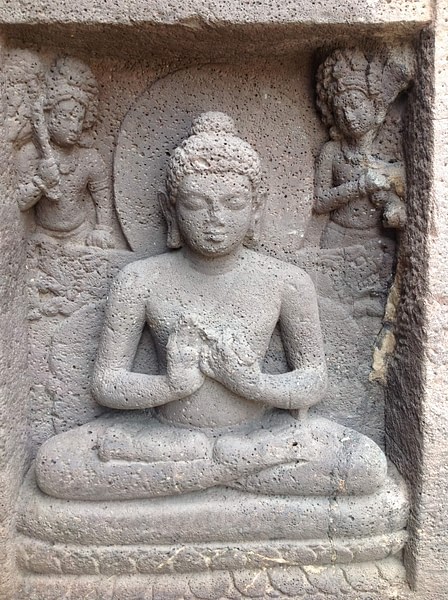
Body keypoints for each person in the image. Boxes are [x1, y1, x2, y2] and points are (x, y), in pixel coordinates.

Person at [35, 112, 387, 500]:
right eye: (196, 203)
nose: (215, 219)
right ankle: (233, 467)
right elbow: (107, 383)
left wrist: (254, 384)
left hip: (254, 433)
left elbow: (313, 380)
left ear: (256, 208)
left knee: (366, 465)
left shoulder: (286, 282)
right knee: (53, 465)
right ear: (170, 209)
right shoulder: (140, 280)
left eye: (233, 203)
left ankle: (200, 472)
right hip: (168, 436)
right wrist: (170, 385)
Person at [314, 49, 410, 249]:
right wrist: (360, 186)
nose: (349, 116)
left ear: (374, 106)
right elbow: (320, 202)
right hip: (337, 237)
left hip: (377, 241)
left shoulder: (388, 149)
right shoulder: (332, 151)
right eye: (340, 110)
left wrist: (393, 206)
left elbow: (399, 193)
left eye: (356, 105)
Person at [15, 57, 114, 248]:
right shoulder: (30, 155)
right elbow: (20, 202)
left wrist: (102, 228)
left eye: (79, 119)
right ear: (48, 115)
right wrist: (40, 182)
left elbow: (102, 195)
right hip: (42, 235)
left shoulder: (89, 158)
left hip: (81, 233)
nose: (74, 126)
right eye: (66, 117)